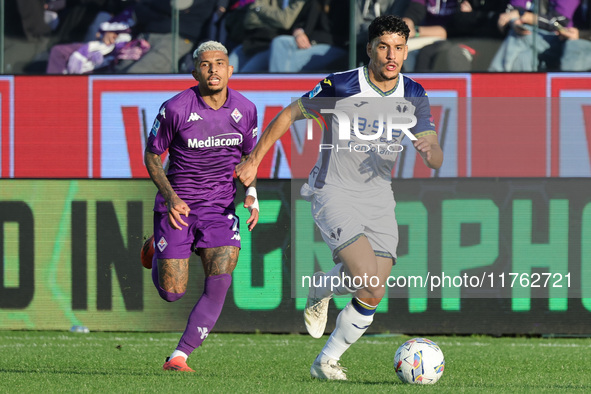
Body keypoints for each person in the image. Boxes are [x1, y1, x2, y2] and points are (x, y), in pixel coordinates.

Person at [236, 15, 443, 380]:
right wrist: (254, 159)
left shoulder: (414, 94)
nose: (391, 55)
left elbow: (437, 155)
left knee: (374, 292)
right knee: (365, 277)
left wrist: (430, 152)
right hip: (334, 191)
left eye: (398, 48)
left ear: (406, 50)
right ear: (369, 49)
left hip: (379, 196)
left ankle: (324, 357)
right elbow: (289, 113)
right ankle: (326, 327)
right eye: (383, 47)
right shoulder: (342, 85)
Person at [142, 40, 260, 372]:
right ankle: (155, 246)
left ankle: (180, 356)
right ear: (195, 72)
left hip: (220, 207)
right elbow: (152, 156)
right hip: (178, 206)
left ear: (230, 69)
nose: (213, 70)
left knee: (222, 272)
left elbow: (250, 158)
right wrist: (171, 197)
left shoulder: (246, 109)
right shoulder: (176, 108)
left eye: (220, 63)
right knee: (172, 292)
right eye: (206, 65)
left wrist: (252, 194)